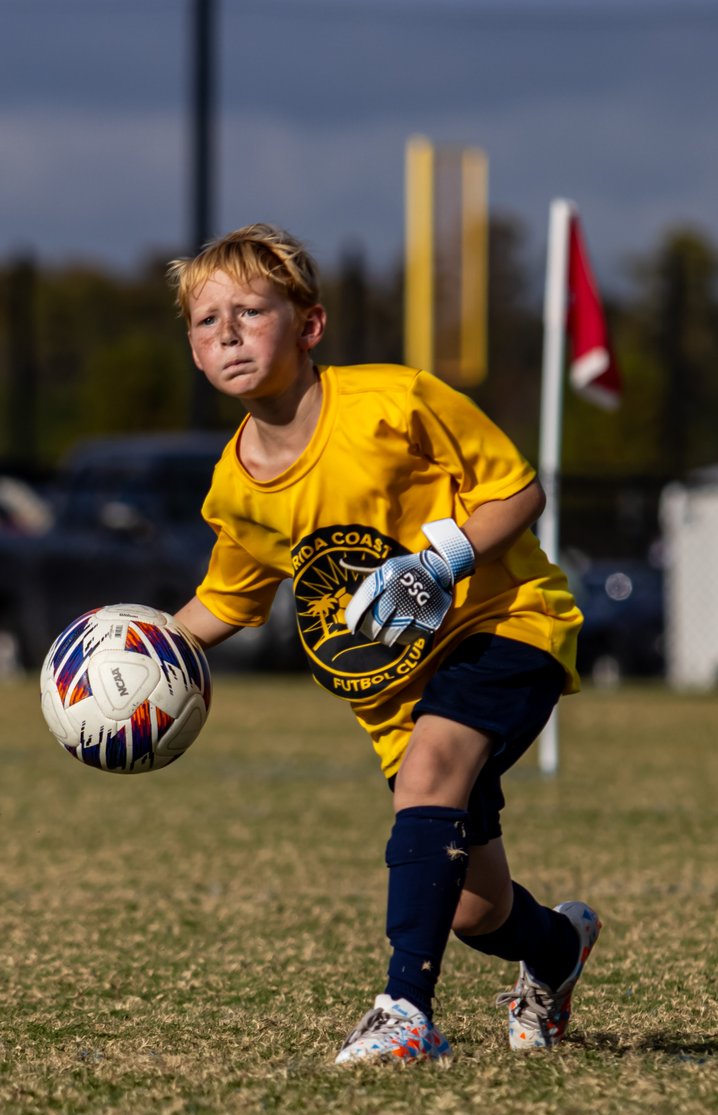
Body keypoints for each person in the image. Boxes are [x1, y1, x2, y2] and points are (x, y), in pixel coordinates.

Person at [163, 224, 600, 1065]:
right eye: (205, 320)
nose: (226, 331)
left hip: (502, 624)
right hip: (396, 694)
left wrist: (439, 564)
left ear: (310, 325)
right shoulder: (234, 485)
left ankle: (405, 1011)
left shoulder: (392, 402)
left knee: (433, 773)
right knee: (475, 910)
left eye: (250, 311)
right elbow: (224, 601)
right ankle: (555, 950)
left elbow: (519, 491)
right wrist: (137, 648)